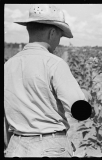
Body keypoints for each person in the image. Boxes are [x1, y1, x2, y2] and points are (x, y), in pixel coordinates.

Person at [4, 4, 87, 157]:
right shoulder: (54, 63)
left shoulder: (7, 66)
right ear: (52, 33)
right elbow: (80, 112)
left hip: (15, 147)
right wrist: (86, 97)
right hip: (50, 146)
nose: (59, 43)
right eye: (60, 37)